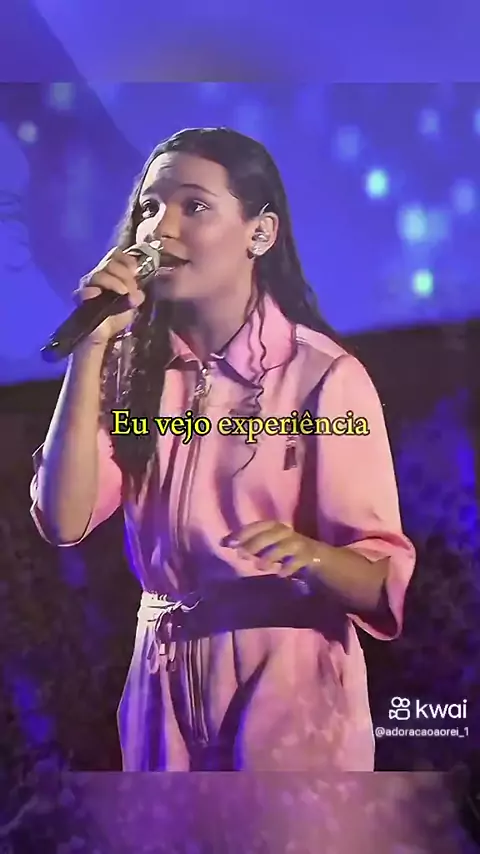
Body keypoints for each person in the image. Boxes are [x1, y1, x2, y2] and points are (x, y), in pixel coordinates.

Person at [29, 126, 416, 772]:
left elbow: (383, 584)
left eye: (194, 206)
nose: (159, 229)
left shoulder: (322, 377)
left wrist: (309, 555)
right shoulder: (130, 371)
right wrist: (92, 347)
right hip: (160, 682)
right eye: (149, 208)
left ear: (259, 233)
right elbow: (63, 519)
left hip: (285, 676)